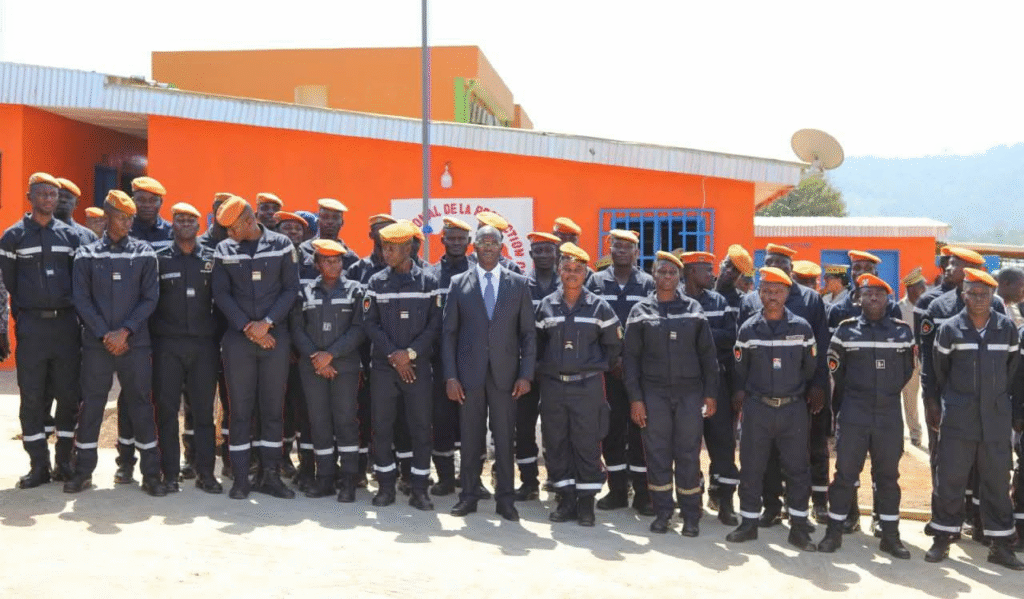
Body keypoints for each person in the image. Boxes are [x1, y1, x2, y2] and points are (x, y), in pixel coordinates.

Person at [65, 190, 164, 496]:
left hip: (134, 344)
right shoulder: (87, 254)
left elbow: (150, 297)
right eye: (122, 217)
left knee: (141, 405)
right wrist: (104, 334)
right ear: (107, 217)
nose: (128, 223)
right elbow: (81, 298)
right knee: (92, 406)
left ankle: (151, 474)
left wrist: (126, 331)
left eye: (130, 218)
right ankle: (83, 472)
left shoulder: (144, 253)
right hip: (98, 345)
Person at [925, 268, 1024, 570]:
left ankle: (1000, 545)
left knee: (996, 481)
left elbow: (1013, 373)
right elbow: (939, 372)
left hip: (995, 419)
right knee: (950, 479)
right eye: (973, 293)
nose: (979, 299)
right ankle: (942, 537)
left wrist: (1012, 411)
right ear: (963, 294)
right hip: (959, 418)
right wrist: (941, 403)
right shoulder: (949, 329)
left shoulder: (1007, 329)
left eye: (985, 294)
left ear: (993, 296)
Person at [817, 274, 915, 559]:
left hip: (888, 412)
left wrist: (886, 392)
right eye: (867, 293)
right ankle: (834, 532)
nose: (873, 298)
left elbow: (907, 370)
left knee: (888, 476)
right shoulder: (846, 331)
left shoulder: (901, 332)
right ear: (858, 298)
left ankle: (890, 536)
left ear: (887, 299)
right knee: (845, 474)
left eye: (879, 294)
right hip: (854, 410)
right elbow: (836, 368)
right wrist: (858, 392)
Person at [444, 225, 536, 521]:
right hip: (468, 376)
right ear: (474, 247)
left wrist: (526, 374)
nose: (487, 247)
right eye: (482, 243)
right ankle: (468, 496)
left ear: (501, 247)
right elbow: (449, 334)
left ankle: (505, 499)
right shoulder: (459, 283)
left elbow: (528, 334)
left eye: (492, 243)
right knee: (470, 439)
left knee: (505, 439)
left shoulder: (518, 284)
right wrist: (450, 376)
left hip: (506, 376)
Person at [212, 195, 300, 500]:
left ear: (249, 221)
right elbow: (221, 294)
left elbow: (290, 289)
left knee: (272, 410)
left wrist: (267, 323)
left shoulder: (281, 245)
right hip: (239, 341)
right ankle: (241, 479)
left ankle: (270, 476)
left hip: (275, 339)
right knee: (240, 411)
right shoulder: (224, 249)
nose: (229, 234)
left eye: (233, 228)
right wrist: (249, 327)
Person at [625, 251, 718, 536]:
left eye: (672, 272)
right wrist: (636, 399)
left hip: (690, 393)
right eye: (662, 272)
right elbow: (631, 360)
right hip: (654, 394)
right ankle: (663, 512)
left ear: (679, 277)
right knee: (657, 454)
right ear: (653, 275)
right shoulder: (640, 311)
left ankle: (691, 515)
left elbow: (708, 356)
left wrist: (710, 395)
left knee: (688, 454)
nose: (667, 277)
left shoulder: (693, 309)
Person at [727, 266, 818, 552]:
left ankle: (799, 528)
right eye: (766, 291)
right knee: (752, 467)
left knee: (797, 469)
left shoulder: (802, 328)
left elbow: (809, 368)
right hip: (758, 408)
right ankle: (748, 523)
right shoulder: (748, 329)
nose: (772, 297)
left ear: (787, 293)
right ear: (759, 293)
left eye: (777, 291)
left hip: (792, 409)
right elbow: (740, 369)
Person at [737, 244, 828, 530]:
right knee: (762, 460)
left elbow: (818, 349)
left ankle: (799, 513)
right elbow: (743, 352)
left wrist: (816, 384)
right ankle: (771, 508)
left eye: (782, 263)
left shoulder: (811, 300)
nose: (772, 295)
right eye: (770, 262)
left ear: (791, 270)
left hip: (796, 397)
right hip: (760, 398)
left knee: (800, 457)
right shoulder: (750, 302)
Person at [0, 172, 83, 487]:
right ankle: (38, 466)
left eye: (53, 195)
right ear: (30, 198)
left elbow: (80, 281)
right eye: (42, 194)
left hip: (66, 326)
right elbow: (8, 282)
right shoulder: (13, 237)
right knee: (32, 397)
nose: (49, 199)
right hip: (32, 327)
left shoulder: (70, 237)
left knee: (68, 396)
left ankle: (63, 462)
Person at [919, 246, 1006, 539]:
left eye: (955, 264)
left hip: (988, 407)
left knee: (985, 468)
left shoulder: (998, 310)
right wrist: (931, 399)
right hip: (950, 403)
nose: (947, 267)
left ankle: (980, 522)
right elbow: (931, 361)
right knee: (946, 464)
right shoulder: (937, 307)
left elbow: (1009, 366)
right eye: (949, 263)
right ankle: (945, 524)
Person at [535, 242, 622, 527]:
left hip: (587, 387)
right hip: (554, 387)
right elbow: (536, 345)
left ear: (585, 274)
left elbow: (613, 347)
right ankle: (566, 500)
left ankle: (586, 504)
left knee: (587, 443)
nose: (572, 274)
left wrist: (593, 366)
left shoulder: (600, 307)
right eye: (567, 268)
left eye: (577, 269)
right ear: (559, 271)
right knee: (556, 443)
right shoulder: (547, 306)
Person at [362, 220, 441, 510]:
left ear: (408, 249)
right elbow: (370, 324)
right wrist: (395, 356)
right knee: (382, 427)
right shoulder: (376, 282)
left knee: (420, 428)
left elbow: (434, 325)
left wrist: (410, 353)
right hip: (385, 368)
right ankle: (386, 487)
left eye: (392, 248)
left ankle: (419, 489)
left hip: (417, 368)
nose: (386, 253)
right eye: (384, 248)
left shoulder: (428, 282)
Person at [825, 250, 904, 529]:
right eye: (856, 267)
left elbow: (903, 365)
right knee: (848, 460)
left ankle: (881, 517)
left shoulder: (890, 308)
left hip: (884, 400)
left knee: (884, 462)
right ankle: (851, 514)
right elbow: (835, 360)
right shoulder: (839, 310)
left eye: (866, 267)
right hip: (849, 397)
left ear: (876, 274)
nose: (860, 272)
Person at [151, 202, 221, 493]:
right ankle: (169, 473)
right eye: (179, 220)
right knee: (167, 411)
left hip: (204, 347)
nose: (185, 224)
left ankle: (206, 474)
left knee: (203, 413)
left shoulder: (212, 259)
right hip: (167, 346)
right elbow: (150, 301)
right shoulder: (159, 259)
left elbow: (222, 301)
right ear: (172, 225)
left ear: (199, 225)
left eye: (191, 220)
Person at [290, 239, 365, 501]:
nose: (333, 266)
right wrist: (317, 358)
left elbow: (359, 328)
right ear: (317, 264)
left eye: (337, 261)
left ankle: (348, 481)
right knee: (319, 422)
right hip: (313, 367)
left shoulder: (355, 290)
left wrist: (330, 355)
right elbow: (297, 328)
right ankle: (324, 478)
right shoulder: (305, 292)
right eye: (327, 261)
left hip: (344, 366)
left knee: (345, 421)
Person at [587, 229, 655, 515]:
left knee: (641, 430)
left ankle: (642, 493)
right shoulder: (595, 281)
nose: (622, 251)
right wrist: (611, 359)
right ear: (610, 250)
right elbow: (589, 323)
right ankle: (616, 491)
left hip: (639, 372)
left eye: (628, 247)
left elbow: (653, 325)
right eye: (617, 246)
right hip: (608, 371)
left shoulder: (648, 283)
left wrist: (630, 361)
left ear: (637, 252)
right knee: (612, 430)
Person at [680, 250, 739, 525]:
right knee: (687, 445)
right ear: (691, 272)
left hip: (716, 384)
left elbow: (730, 337)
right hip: (685, 386)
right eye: (706, 269)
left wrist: (698, 335)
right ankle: (693, 501)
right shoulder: (675, 300)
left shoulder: (719, 301)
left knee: (722, 444)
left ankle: (725, 502)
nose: (712, 275)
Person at [427, 216, 473, 496]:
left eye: (461, 239)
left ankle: (471, 479)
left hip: (471, 359)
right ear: (442, 240)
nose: (456, 243)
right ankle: (445, 478)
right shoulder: (430, 275)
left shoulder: (478, 274)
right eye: (451, 238)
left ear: (469, 242)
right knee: (442, 421)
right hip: (438, 360)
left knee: (472, 421)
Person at [515, 231, 562, 499]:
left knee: (555, 426)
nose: (544, 255)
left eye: (548, 250)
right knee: (523, 426)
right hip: (526, 369)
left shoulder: (566, 283)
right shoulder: (521, 285)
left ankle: (556, 478)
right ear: (531, 254)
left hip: (556, 368)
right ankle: (529, 481)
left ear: (557, 254)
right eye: (539, 251)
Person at [275, 210, 312, 482]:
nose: (293, 232)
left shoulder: (313, 263)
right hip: (278, 346)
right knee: (281, 406)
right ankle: (282, 457)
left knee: (304, 406)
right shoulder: (271, 260)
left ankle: (305, 463)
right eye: (287, 228)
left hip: (307, 349)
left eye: (298, 229)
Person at [898, 267, 928, 448]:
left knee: (930, 395)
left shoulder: (928, 306)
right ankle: (915, 433)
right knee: (910, 397)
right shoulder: (899, 308)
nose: (925, 289)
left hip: (927, 357)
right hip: (908, 358)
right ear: (910, 288)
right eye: (921, 286)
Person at [298, 198, 360, 275]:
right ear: (317, 221)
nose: (330, 222)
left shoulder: (350, 258)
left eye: (335, 218)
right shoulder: (302, 251)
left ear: (342, 222)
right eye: (325, 217)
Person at [129, 176, 173, 249]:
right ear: (133, 201)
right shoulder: (124, 230)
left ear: (161, 202)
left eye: (153, 200)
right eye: (141, 200)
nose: (147, 205)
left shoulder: (172, 232)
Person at [54, 177, 98, 243]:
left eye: (68, 197)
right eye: (58, 196)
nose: (63, 200)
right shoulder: (39, 232)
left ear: (76, 203)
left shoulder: (89, 237)